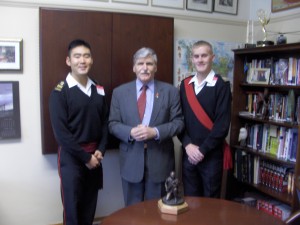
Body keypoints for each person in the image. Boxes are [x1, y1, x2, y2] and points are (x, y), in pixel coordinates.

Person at [109, 47, 184, 206]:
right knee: (132, 212)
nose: (145, 67)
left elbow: (179, 123)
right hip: (131, 161)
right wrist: (130, 132)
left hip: (160, 161)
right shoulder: (119, 93)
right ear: (134, 67)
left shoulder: (170, 92)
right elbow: (113, 124)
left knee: (156, 212)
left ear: (155, 67)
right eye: (140, 63)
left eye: (149, 63)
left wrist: (155, 132)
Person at [49, 39, 109, 225]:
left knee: (90, 207)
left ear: (91, 60)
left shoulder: (98, 89)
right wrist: (86, 158)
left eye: (86, 56)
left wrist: (101, 149)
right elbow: (61, 134)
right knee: (73, 210)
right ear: (69, 61)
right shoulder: (60, 92)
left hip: (95, 157)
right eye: (77, 56)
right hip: (72, 158)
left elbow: (105, 123)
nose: (82, 60)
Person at [179, 40, 231, 198]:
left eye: (204, 55)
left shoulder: (222, 86)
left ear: (212, 57)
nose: (200, 59)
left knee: (210, 205)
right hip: (188, 153)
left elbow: (222, 126)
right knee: (190, 201)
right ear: (192, 59)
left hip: (211, 156)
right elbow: (178, 120)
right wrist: (187, 145)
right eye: (196, 56)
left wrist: (202, 151)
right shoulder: (184, 85)